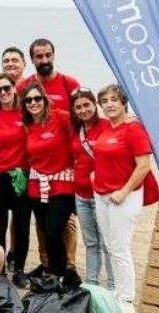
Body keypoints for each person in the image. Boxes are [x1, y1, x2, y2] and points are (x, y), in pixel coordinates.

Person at [94, 85, 157, 309]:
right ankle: (118, 291)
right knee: (110, 245)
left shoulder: (133, 129)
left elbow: (143, 166)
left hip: (124, 197)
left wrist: (124, 191)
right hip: (102, 195)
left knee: (120, 248)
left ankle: (126, 298)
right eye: (104, 101)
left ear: (123, 103)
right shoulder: (107, 127)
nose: (109, 104)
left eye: (114, 100)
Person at [22, 82, 81, 286]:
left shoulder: (61, 117)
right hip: (37, 187)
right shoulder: (27, 125)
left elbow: (81, 136)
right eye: (28, 100)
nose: (33, 103)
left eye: (37, 98)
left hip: (62, 186)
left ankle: (63, 273)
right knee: (46, 232)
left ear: (45, 99)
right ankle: (54, 273)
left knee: (56, 231)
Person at [0, 73, 32, 287]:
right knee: (0, 225)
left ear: (15, 88)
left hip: (21, 176)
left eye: (7, 88)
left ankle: (20, 270)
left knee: (22, 225)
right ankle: (0, 270)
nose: (3, 93)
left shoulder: (26, 112)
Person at [69, 88, 115, 290]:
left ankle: (114, 285)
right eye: (78, 107)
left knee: (108, 243)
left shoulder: (107, 126)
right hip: (81, 195)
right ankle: (92, 283)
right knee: (91, 243)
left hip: (102, 195)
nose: (83, 110)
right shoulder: (76, 130)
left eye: (87, 105)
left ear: (95, 105)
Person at [18, 38, 81, 113]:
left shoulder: (70, 84)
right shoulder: (23, 87)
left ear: (53, 56)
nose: (45, 61)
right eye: (39, 56)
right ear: (32, 59)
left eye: (48, 55)